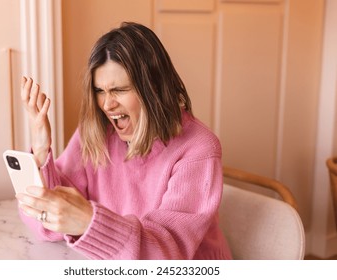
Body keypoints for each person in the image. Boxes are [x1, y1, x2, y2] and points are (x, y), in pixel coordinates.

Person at [16, 22, 232, 260]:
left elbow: (167, 255)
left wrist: (88, 221)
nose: (107, 105)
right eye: (100, 91)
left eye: (119, 90)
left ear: (154, 88)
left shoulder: (198, 148)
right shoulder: (98, 133)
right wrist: (40, 148)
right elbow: (44, 226)